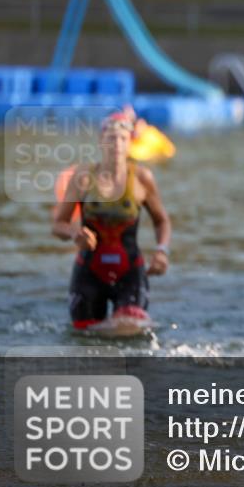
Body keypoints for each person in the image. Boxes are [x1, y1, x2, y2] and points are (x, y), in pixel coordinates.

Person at [51, 112, 172, 330]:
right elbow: (58, 224)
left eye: (122, 139)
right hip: (88, 271)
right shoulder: (83, 177)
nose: (116, 144)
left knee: (128, 328)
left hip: (130, 271)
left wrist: (162, 251)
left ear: (130, 144)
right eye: (111, 138)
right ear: (100, 141)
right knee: (85, 336)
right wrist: (74, 234)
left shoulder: (141, 178)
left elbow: (161, 221)